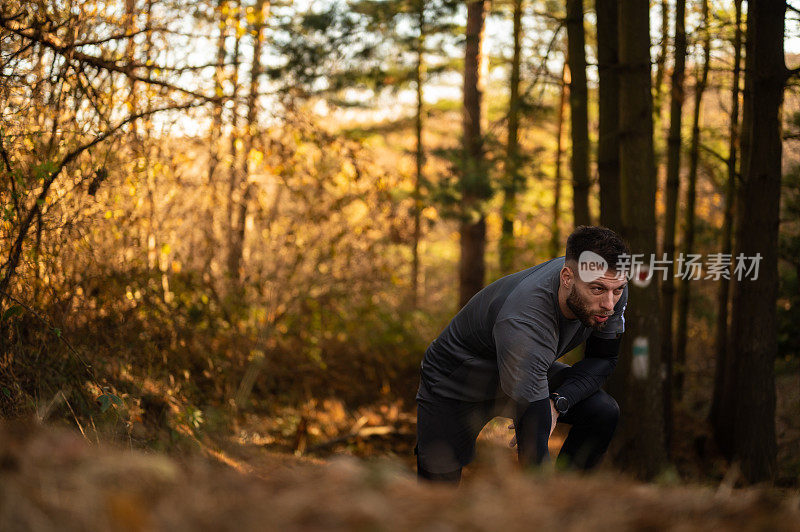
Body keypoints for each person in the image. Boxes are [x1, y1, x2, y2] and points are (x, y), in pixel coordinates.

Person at [415, 225, 629, 483]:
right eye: (597, 290)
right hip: (457, 381)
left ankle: (568, 501)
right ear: (567, 278)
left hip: (526, 366)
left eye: (617, 290)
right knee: (437, 491)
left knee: (603, 411)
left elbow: (603, 359)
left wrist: (559, 401)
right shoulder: (525, 319)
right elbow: (533, 450)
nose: (608, 304)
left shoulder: (609, 283)